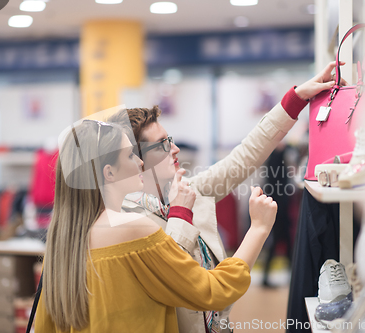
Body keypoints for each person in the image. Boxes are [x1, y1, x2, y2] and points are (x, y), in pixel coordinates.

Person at [109, 61, 346, 332]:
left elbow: (241, 159)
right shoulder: (129, 223)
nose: (175, 148)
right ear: (135, 161)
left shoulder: (184, 192)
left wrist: (295, 100)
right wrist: (185, 214)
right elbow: (183, 283)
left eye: (170, 138)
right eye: (163, 144)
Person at [34, 119, 278, 332]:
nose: (140, 163)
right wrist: (258, 228)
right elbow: (212, 290)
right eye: (130, 155)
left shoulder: (61, 245)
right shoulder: (133, 230)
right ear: (109, 173)